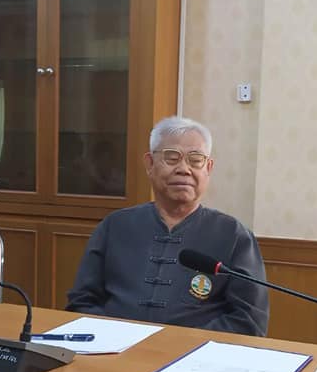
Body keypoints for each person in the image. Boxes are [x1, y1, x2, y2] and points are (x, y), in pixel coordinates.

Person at [66, 116, 269, 336]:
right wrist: (114, 336)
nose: (184, 169)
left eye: (195, 160)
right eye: (172, 158)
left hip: (195, 354)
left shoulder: (234, 235)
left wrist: (180, 343)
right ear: (150, 164)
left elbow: (249, 320)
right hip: (112, 349)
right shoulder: (114, 226)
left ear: (208, 168)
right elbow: (81, 302)